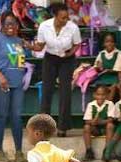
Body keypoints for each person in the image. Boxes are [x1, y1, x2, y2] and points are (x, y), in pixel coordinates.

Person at [0, 13, 28, 162]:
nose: (11, 26)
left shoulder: (18, 41)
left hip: (17, 85)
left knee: (17, 117)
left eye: (13, 23)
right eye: (7, 24)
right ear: (2, 25)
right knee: (1, 116)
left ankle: (19, 152)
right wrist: (0, 76)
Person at [33, 2, 81, 136]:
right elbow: (40, 46)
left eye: (67, 17)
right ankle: (44, 126)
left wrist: (70, 53)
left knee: (65, 92)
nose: (66, 20)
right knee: (47, 91)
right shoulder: (44, 26)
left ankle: (63, 127)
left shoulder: (73, 28)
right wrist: (29, 46)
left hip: (67, 59)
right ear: (55, 16)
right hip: (50, 58)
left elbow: (77, 44)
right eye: (62, 17)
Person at [81, 86, 116, 161]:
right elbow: (87, 120)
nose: (100, 97)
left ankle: (107, 151)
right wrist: (93, 121)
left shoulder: (109, 104)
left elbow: (111, 119)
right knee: (86, 127)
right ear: (94, 95)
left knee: (110, 126)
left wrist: (101, 121)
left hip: (105, 129)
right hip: (95, 129)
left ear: (106, 95)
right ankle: (89, 151)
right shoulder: (91, 105)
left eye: (103, 95)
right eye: (98, 94)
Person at [92, 32, 121, 98]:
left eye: (112, 41)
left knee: (113, 88)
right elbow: (96, 67)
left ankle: (108, 103)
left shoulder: (118, 53)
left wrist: (110, 70)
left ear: (115, 43)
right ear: (103, 44)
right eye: (107, 41)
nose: (109, 43)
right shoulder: (101, 54)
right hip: (103, 78)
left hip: (114, 78)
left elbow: (119, 69)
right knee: (98, 89)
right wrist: (98, 68)